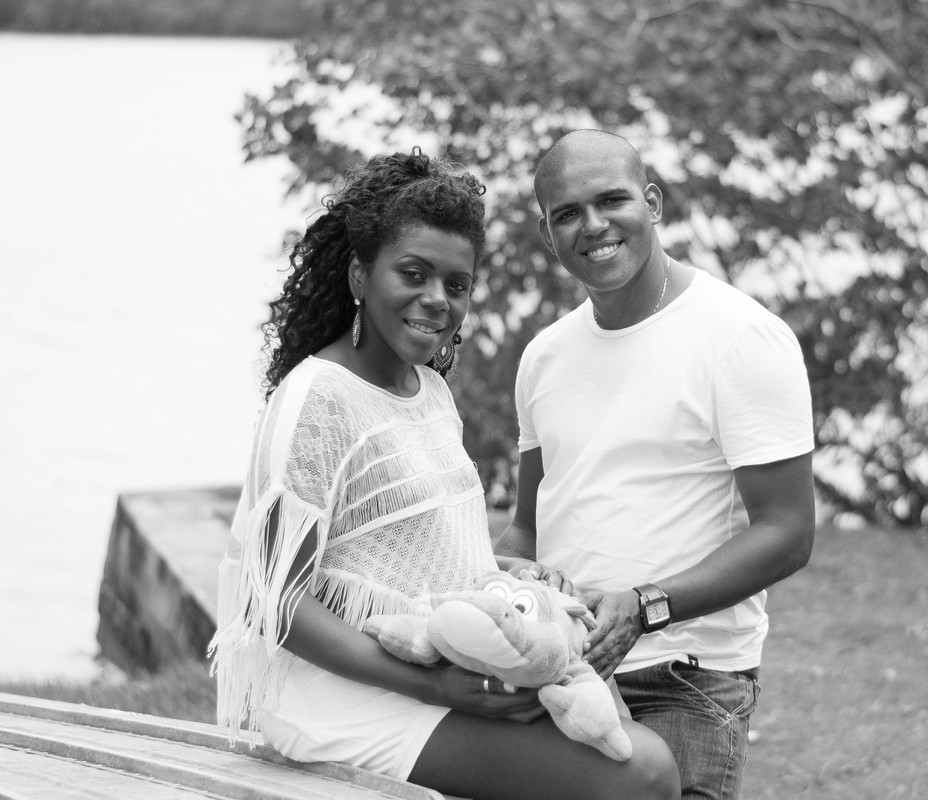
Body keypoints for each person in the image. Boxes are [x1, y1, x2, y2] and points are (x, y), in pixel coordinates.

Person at [207, 148, 679, 800]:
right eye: (413, 274)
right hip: (340, 698)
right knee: (646, 773)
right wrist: (436, 686)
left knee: (613, 729)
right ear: (359, 275)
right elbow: (273, 601)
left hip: (435, 660)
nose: (437, 300)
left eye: (457, 285)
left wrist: (513, 573)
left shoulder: (428, 389)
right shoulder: (319, 399)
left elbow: (408, 554)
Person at [495, 129, 816, 800]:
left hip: (683, 680)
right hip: (558, 676)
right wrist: (512, 580)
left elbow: (787, 532)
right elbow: (527, 528)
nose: (593, 225)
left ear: (652, 202)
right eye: (568, 213)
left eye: (611, 200)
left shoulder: (740, 336)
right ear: (549, 234)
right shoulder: (544, 357)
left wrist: (646, 607)